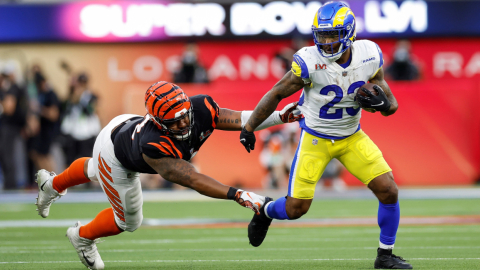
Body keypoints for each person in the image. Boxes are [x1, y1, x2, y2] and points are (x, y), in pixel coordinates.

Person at [35, 81, 302, 270]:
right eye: (174, 122)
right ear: (158, 122)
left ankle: (51, 184)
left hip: (122, 126)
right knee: (129, 220)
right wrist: (239, 195)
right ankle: (82, 235)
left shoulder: (200, 108)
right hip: (117, 156)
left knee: (94, 169)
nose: (184, 123)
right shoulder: (153, 145)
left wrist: (280, 116)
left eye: (184, 116)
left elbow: (241, 118)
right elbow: (192, 179)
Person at [239, 2, 412, 269]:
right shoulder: (309, 60)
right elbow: (276, 93)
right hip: (316, 139)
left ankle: (385, 255)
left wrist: (383, 106)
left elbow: (391, 104)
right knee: (296, 209)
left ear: (350, 33)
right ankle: (265, 210)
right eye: (322, 35)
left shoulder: (369, 55)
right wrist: (249, 127)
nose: (327, 42)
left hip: (351, 137)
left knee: (389, 190)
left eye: (333, 35)